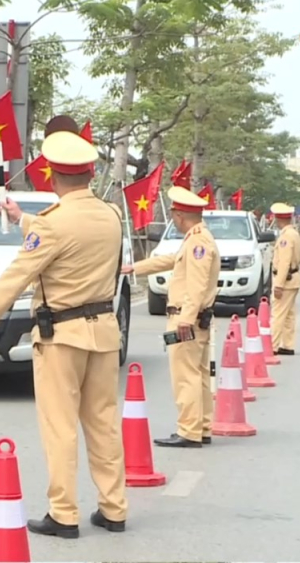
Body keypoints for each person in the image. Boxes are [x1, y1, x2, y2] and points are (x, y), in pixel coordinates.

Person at [0, 131, 128, 539]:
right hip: (104, 333)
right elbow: (66, 236)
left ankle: (64, 514)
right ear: (92, 173)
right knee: (103, 424)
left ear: (49, 175)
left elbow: (16, 276)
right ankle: (114, 508)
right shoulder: (111, 216)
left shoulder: (52, 224)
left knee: (60, 427)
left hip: (61, 336)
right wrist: (21, 217)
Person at [121, 186, 220, 448]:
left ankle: (189, 431)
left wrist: (186, 318)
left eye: (173, 215)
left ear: (178, 215)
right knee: (197, 376)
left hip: (187, 318)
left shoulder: (198, 241)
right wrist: (133, 267)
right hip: (197, 318)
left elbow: (197, 284)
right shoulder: (197, 238)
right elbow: (170, 260)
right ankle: (202, 427)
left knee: (185, 376)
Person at [269, 203, 300, 356]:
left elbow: (284, 261)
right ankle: (287, 345)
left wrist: (279, 285)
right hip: (293, 278)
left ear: (277, 219)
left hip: (286, 279)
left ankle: (272, 345)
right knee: (288, 314)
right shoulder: (294, 233)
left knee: (278, 314)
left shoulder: (286, 237)